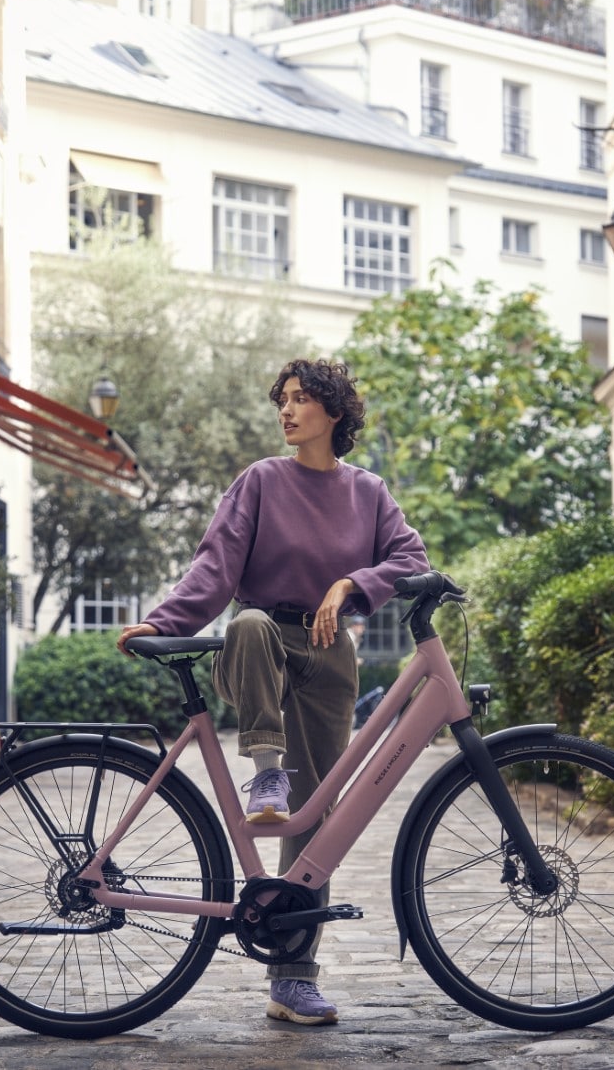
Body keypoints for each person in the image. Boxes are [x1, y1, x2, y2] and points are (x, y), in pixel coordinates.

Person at [117, 358, 427, 1026]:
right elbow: (217, 565)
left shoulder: (368, 493)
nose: (286, 411)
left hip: (328, 653)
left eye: (301, 400)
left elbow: (412, 560)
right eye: (282, 399)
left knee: (316, 819)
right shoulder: (261, 479)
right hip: (257, 645)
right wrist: (165, 622)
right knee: (253, 620)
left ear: (334, 413)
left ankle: (292, 979)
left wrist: (349, 586)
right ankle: (265, 773)